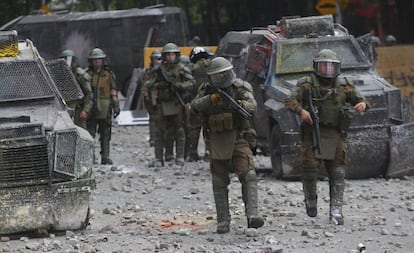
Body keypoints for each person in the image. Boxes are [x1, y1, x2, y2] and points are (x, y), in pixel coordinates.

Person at [284, 49, 369, 225]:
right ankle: (311, 200)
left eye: (331, 66)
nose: (327, 70)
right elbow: (290, 101)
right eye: (324, 66)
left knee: (337, 170)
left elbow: (361, 100)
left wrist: (362, 105)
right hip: (312, 132)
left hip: (334, 133)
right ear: (316, 67)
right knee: (309, 168)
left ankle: (336, 209)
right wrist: (301, 111)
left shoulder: (344, 85)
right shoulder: (306, 84)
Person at [191, 57, 264, 234]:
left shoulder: (240, 87)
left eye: (224, 73)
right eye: (218, 75)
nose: (222, 77)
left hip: (239, 136)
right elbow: (194, 106)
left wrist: (238, 104)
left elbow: (252, 106)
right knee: (219, 180)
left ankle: (252, 215)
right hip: (216, 139)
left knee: (249, 174)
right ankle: (223, 220)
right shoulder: (206, 89)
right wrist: (211, 99)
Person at [148, 42, 194, 167]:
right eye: (168, 55)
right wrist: (159, 86)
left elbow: (191, 83)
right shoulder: (159, 70)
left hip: (177, 102)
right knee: (159, 131)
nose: (170, 57)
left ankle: (179, 157)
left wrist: (179, 86)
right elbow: (148, 84)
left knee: (179, 130)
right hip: (162, 103)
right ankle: (159, 158)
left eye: (173, 54)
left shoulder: (181, 68)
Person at [86, 47, 120, 165]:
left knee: (105, 133)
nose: (97, 62)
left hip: (105, 108)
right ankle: (90, 157)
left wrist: (116, 105)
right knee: (90, 134)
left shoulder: (108, 74)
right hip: (91, 107)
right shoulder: (87, 75)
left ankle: (105, 156)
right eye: (95, 60)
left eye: (99, 60)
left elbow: (113, 91)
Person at [185, 47, 214, 161]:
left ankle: (193, 153)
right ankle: (208, 152)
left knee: (194, 128)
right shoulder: (212, 66)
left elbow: (188, 86)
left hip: (196, 102)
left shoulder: (191, 69)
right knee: (209, 128)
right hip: (210, 101)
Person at [59, 49, 93, 129]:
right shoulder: (58, 75)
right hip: (63, 109)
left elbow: (89, 94)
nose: (68, 64)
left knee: (81, 132)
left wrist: (85, 110)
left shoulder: (80, 75)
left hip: (78, 109)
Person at [141, 50, 162, 146]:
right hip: (151, 97)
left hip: (162, 95)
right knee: (153, 118)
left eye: (159, 59)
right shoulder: (148, 71)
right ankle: (153, 138)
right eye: (156, 59)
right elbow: (144, 83)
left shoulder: (163, 70)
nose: (158, 61)